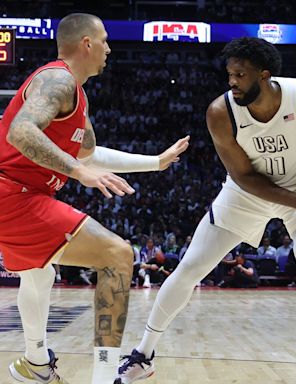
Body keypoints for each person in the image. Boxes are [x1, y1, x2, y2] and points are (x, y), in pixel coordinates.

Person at [117, 37, 296, 384]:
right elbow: (244, 176)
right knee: (190, 268)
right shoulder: (220, 113)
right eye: (229, 74)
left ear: (264, 75)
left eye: (240, 74)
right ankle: (143, 355)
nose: (232, 82)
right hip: (247, 193)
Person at [0, 13, 189, 384]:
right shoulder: (56, 78)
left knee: (40, 274)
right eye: (103, 39)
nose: (109, 48)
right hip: (14, 193)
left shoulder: (78, 97)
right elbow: (21, 132)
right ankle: (106, 377)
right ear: (86, 43)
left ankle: (35, 363)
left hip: (19, 195)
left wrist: (155, 162)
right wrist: (78, 172)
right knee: (117, 255)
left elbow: (90, 155)